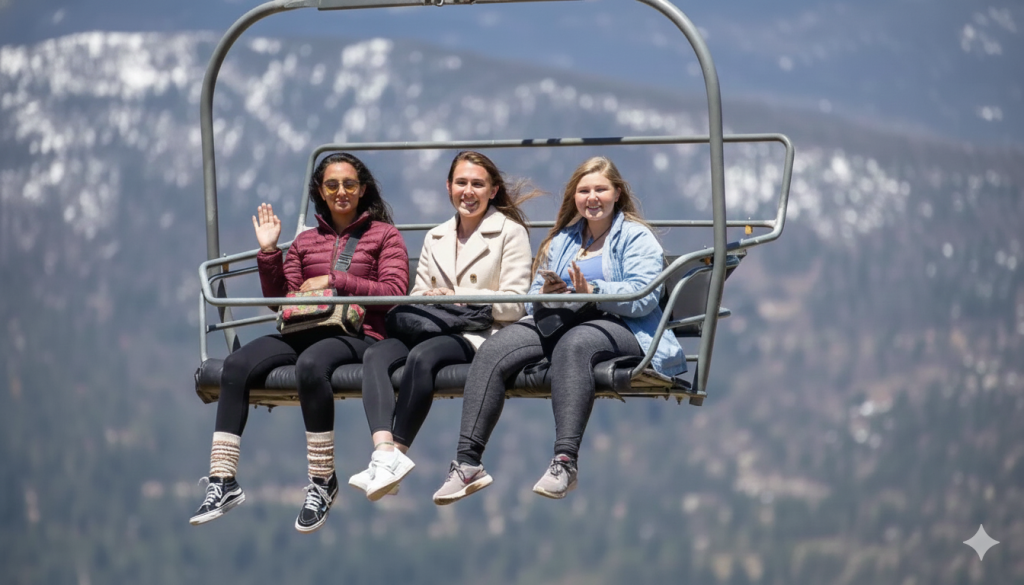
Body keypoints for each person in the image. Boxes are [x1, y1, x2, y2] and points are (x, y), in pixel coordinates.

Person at [432, 155, 685, 504]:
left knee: (575, 346)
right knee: (495, 348)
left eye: (600, 189)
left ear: (617, 194)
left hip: (620, 326)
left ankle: (565, 462)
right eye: (584, 191)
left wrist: (593, 292)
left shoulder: (636, 237)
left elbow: (643, 297)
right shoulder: (564, 239)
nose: (591, 198)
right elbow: (534, 291)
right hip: (560, 319)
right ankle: (467, 463)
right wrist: (546, 294)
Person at [190, 152, 409, 532]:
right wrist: (269, 252)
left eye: (349, 184)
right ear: (320, 192)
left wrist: (335, 282)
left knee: (311, 366)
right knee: (236, 365)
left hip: (357, 334)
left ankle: (322, 481)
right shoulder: (307, 241)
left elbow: (393, 291)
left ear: (363, 190)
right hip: (302, 329)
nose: (341, 192)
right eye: (332, 185)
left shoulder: (383, 236)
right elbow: (281, 298)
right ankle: (223, 479)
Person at [352, 151, 535, 501]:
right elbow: (421, 292)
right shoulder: (436, 236)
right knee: (376, 354)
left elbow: (514, 304)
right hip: (434, 323)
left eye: (478, 184)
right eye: (462, 183)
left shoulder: (510, 233)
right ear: (448, 187)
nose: (469, 191)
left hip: (479, 331)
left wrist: (457, 294)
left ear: (493, 190)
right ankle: (384, 452)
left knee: (422, 357)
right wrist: (436, 297)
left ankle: (398, 455)